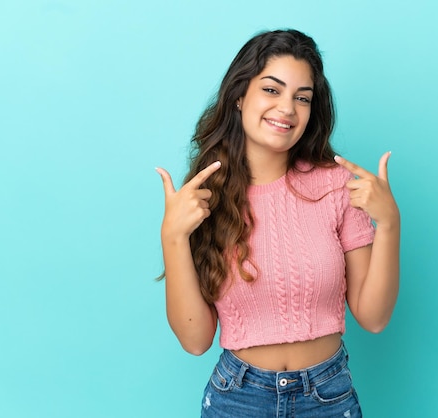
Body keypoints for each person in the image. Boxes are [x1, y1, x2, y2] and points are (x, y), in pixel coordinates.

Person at [155, 29, 400, 417]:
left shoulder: (336, 185)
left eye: (301, 97)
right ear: (239, 96)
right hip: (237, 397)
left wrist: (388, 224)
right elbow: (195, 339)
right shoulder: (205, 197)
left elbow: (373, 317)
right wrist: (172, 237)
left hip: (327, 396)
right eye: (272, 90)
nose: (287, 108)